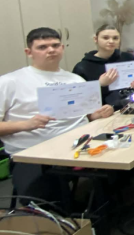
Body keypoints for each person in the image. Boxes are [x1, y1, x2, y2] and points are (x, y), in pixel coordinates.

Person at [0, 28, 114, 201]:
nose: (51, 50)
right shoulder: (10, 82)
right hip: (33, 154)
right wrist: (25, 124)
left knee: (122, 168)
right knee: (41, 198)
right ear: (28, 52)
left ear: (62, 48)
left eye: (55, 45)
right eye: (42, 47)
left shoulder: (75, 80)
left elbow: (85, 116)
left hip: (81, 145)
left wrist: (96, 115)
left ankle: (100, 209)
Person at [72, 24, 134, 110]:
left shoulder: (128, 58)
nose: (111, 41)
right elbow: (80, 99)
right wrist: (100, 85)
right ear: (96, 39)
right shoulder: (83, 67)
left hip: (132, 105)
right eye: (105, 38)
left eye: (115, 38)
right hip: (104, 111)